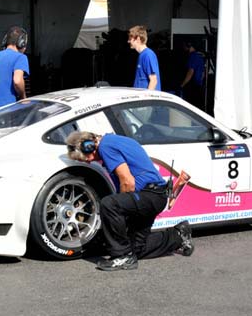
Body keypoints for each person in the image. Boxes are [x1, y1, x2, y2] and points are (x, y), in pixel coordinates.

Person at [66, 131, 194, 271]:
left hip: (149, 195)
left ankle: (122, 257)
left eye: (86, 158)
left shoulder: (106, 147)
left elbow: (128, 182)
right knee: (136, 248)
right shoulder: (113, 140)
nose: (89, 161)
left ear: (89, 146)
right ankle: (178, 236)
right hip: (154, 195)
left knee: (110, 204)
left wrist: (122, 212)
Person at [128, 25, 161, 91]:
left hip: (146, 99)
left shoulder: (148, 55)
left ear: (137, 39)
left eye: (130, 39)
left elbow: (153, 81)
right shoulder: (142, 55)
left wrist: (146, 99)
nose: (128, 41)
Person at [180, 42, 206, 111]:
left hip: (192, 86)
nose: (184, 49)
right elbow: (203, 73)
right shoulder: (200, 56)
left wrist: (183, 84)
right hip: (199, 86)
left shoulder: (192, 56)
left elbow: (190, 72)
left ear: (189, 46)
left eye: (185, 47)